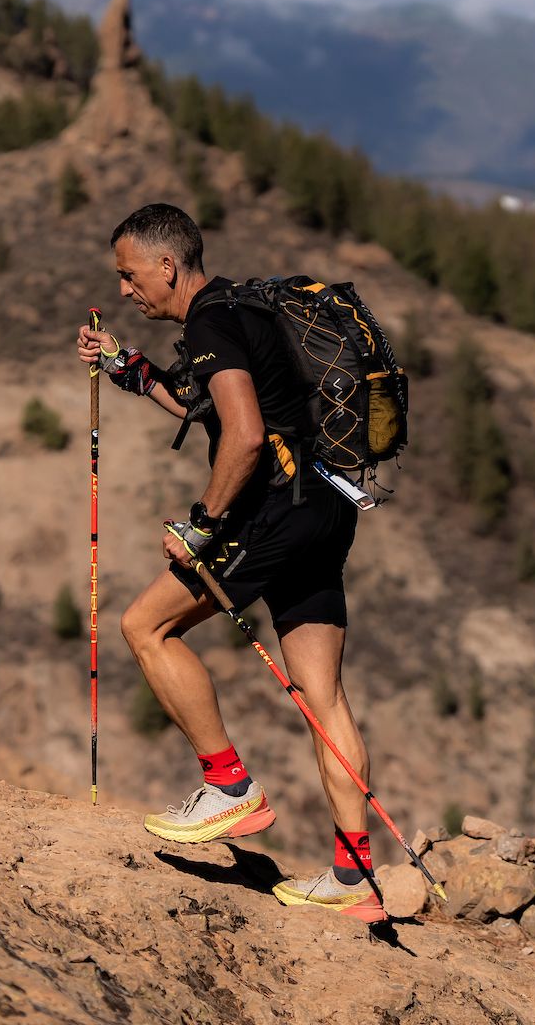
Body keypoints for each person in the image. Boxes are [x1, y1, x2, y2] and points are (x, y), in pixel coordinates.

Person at [75, 201, 382, 920]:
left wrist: (201, 525)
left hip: (273, 511)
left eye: (128, 275)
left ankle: (230, 787)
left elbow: (242, 437)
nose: (125, 289)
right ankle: (353, 880)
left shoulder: (212, 323)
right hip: (327, 508)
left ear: (166, 265)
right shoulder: (241, 310)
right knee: (323, 695)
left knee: (145, 627)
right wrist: (125, 365)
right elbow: (197, 404)